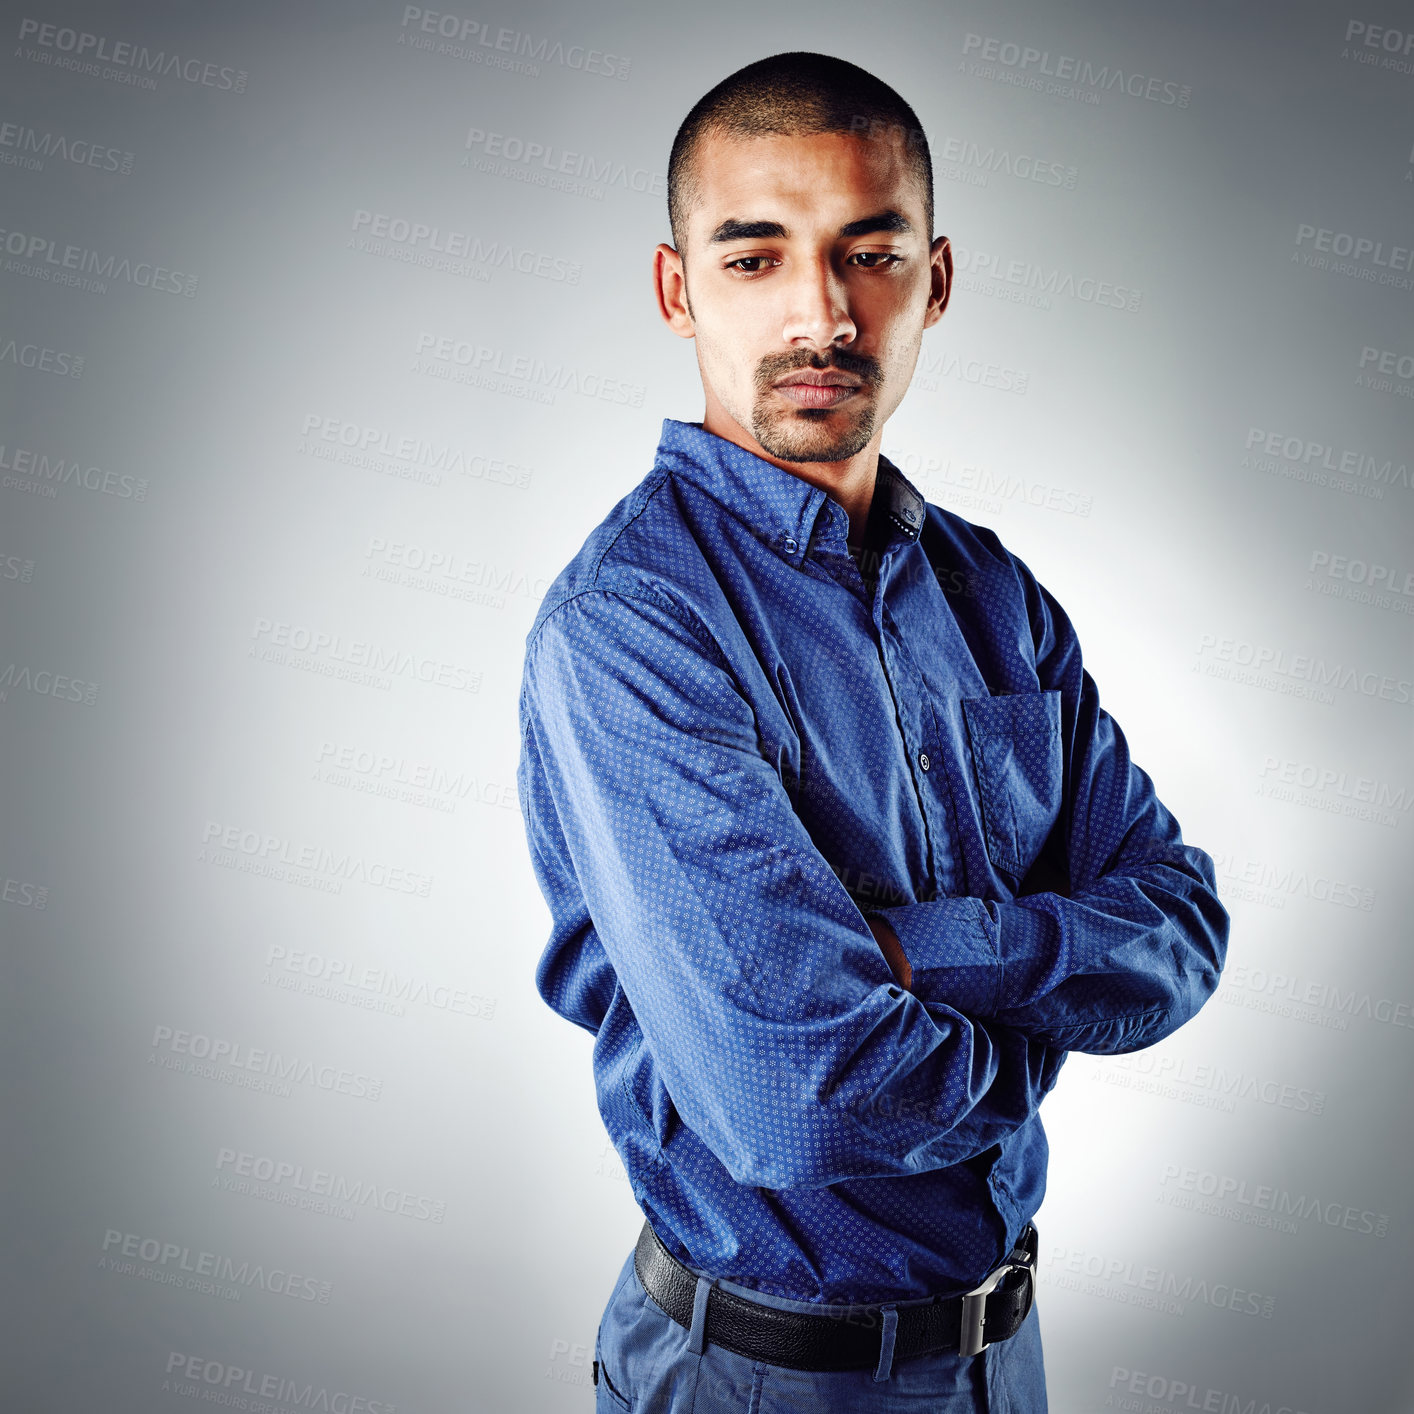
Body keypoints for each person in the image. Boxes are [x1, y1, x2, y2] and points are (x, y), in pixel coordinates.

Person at [515, 50, 1230, 1412]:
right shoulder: (630, 626)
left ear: (934, 280)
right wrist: (1047, 1010)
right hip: (758, 1377)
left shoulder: (993, 594)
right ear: (677, 291)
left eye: (868, 253)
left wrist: (917, 949)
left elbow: (1182, 926)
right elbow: (803, 1100)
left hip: (996, 1364)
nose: (820, 314)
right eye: (753, 258)